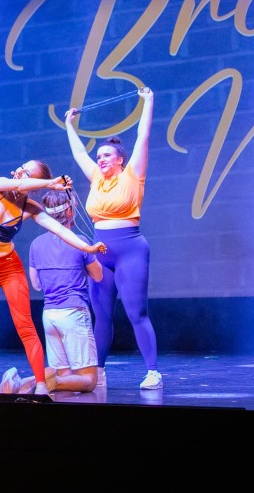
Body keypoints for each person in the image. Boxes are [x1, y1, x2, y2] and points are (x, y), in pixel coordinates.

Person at [0, 160, 106, 399]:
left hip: (8, 268)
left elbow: (60, 230)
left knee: (25, 327)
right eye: (22, 167)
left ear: (34, 184)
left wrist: (88, 248)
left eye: (27, 172)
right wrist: (51, 183)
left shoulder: (29, 207)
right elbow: (16, 183)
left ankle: (41, 384)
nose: (20, 171)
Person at [64, 85, 161, 390]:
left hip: (130, 249)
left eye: (106, 155)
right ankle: (99, 372)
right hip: (100, 251)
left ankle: (153, 371)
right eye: (99, 156)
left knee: (136, 312)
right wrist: (69, 125)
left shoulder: (133, 174)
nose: (101, 159)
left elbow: (143, 137)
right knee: (101, 316)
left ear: (120, 159)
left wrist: (148, 102)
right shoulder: (96, 179)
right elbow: (79, 152)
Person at [0, 189, 103, 395]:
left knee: (63, 378)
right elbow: (98, 276)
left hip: (50, 315)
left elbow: (36, 284)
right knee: (89, 380)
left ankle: (26, 383)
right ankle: (31, 382)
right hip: (74, 312)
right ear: (70, 212)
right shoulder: (79, 241)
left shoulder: (36, 245)